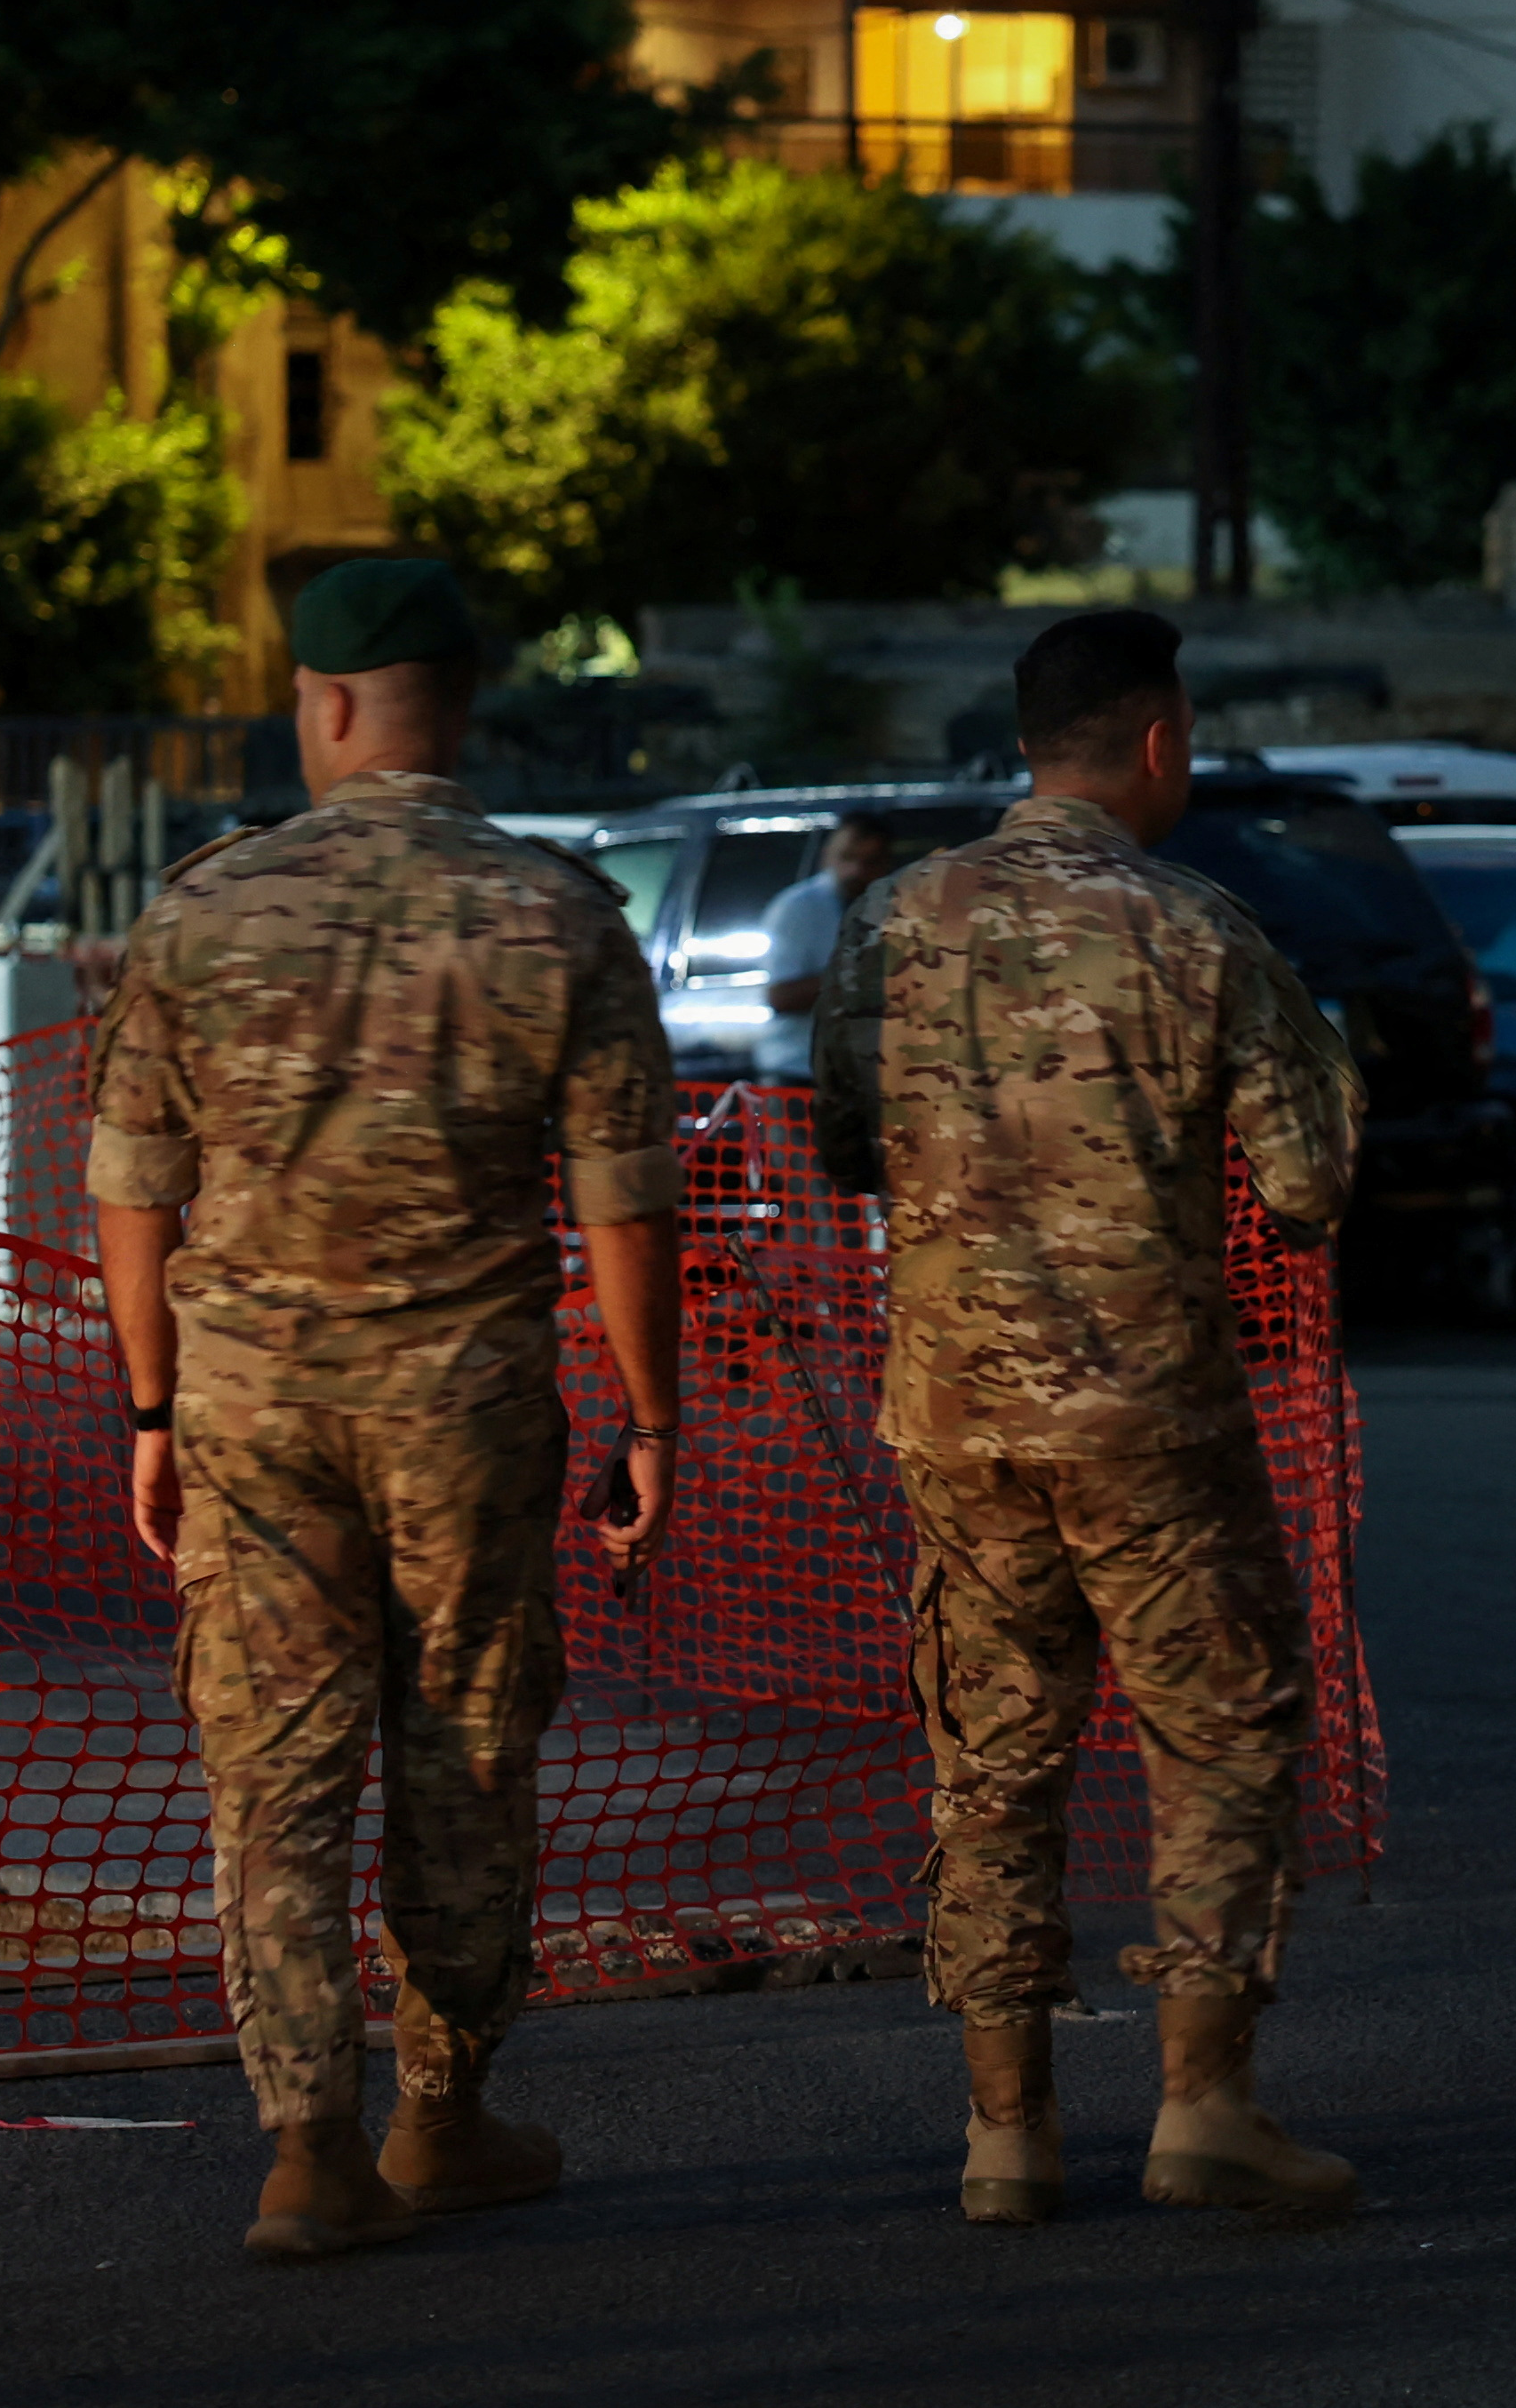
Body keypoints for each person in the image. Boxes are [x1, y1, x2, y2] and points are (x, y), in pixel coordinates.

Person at [90, 558, 683, 2261]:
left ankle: (303, 2145)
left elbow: (132, 1183)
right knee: (467, 1748)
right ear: (456, 705)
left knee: (273, 1768)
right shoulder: (553, 913)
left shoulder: (202, 908)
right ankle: (442, 2110)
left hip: (251, 1406)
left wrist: (148, 1405)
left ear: (331, 703)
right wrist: (653, 1419)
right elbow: (622, 1200)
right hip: (466, 1405)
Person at [817, 607, 1365, 2224]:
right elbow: (1309, 1184)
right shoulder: (1196, 930)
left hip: (953, 1416)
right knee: (1218, 1732)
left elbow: (849, 1150)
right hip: (1149, 1422)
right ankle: (1202, 2104)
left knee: (989, 1759)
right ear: (1152, 739)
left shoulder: (891, 921)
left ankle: (1004, 2133)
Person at [754, 810, 898, 1084]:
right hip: (797, 1070)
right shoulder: (797, 908)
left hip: (860, 1074)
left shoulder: (891, 907)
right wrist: (860, 977)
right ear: (827, 855)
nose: (856, 870)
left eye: (870, 862)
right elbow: (781, 997)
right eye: (847, 858)